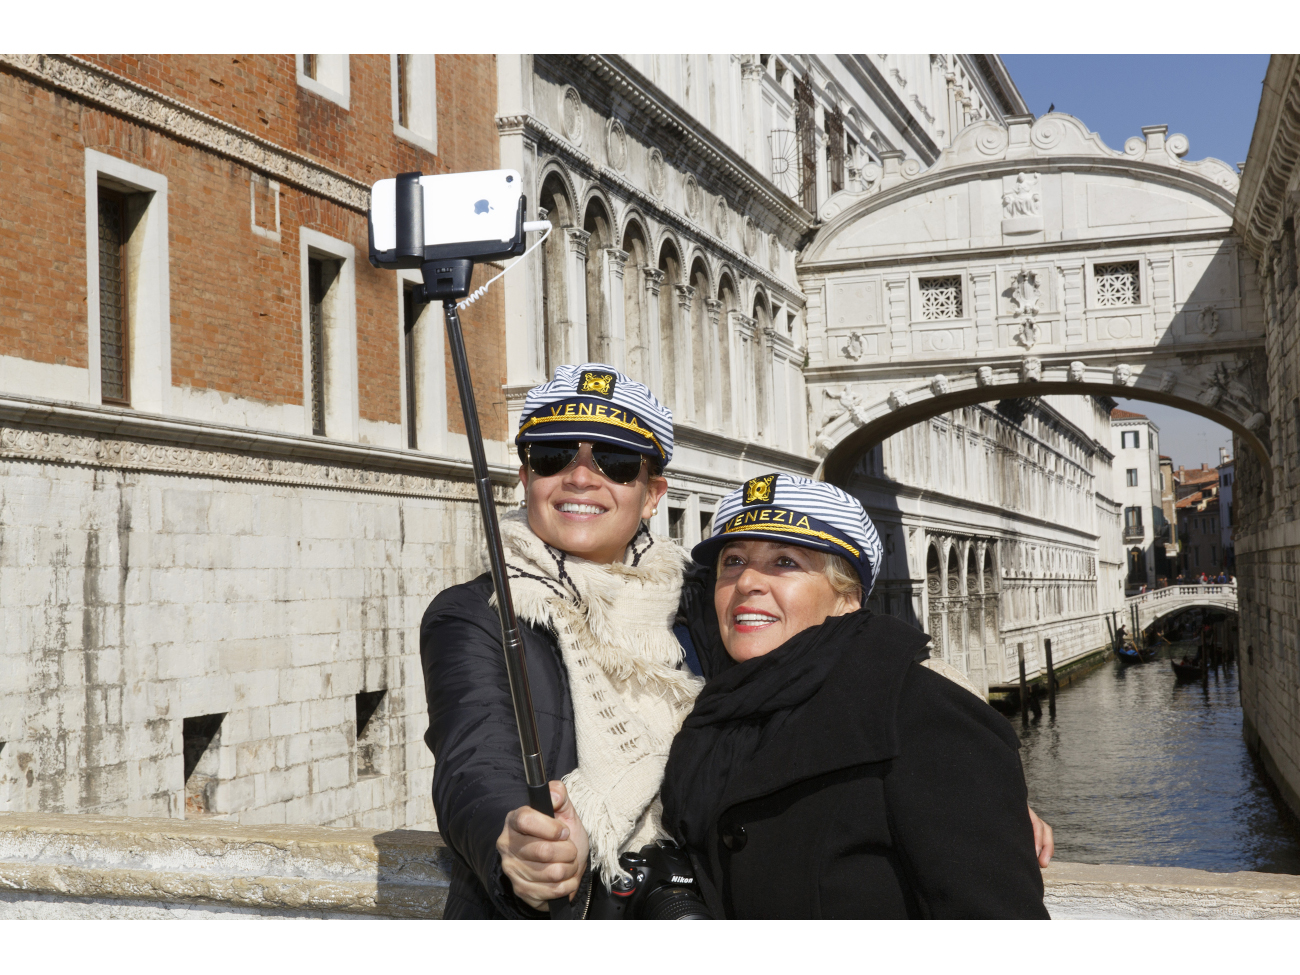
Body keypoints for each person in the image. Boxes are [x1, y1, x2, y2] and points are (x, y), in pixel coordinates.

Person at [659, 474, 1050, 918]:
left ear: (847, 597)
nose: (746, 581)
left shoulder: (921, 713)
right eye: (732, 561)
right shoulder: (715, 710)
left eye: (785, 562)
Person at [420, 363, 698, 918]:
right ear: (526, 479)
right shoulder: (476, 613)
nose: (580, 477)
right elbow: (473, 756)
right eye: (553, 457)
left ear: (651, 495)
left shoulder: (700, 610)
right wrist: (518, 841)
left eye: (615, 464)